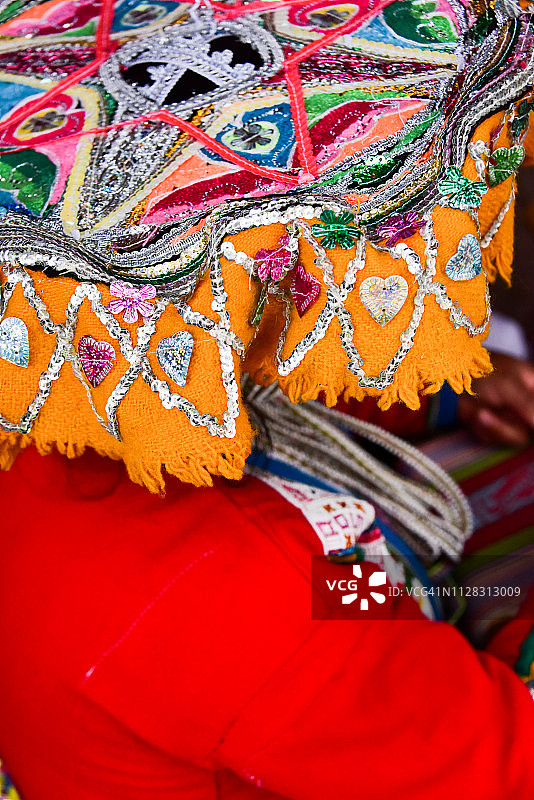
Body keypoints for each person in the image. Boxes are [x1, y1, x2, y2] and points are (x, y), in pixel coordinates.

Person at [0, 0, 534, 797]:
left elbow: (241, 392)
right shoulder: (253, 599)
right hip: (278, 640)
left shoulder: (63, 379)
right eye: (284, 247)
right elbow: (508, 760)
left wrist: (440, 396)